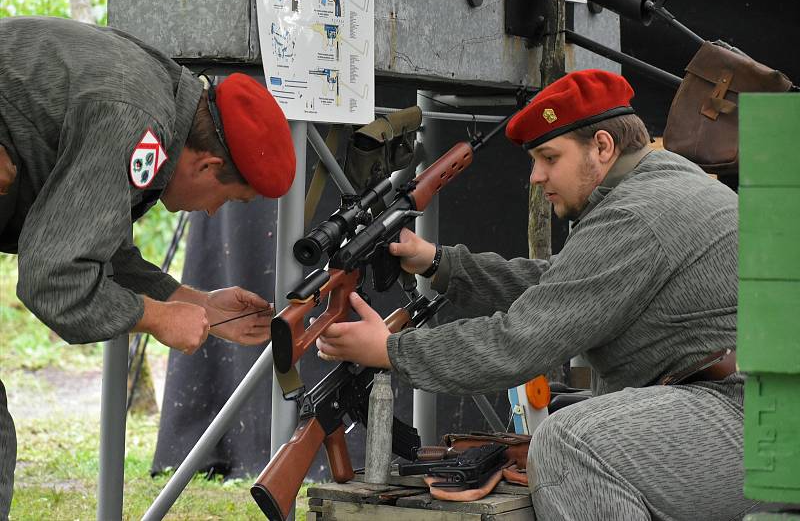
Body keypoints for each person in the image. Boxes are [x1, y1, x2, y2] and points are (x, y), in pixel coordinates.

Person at [315, 69, 758, 519]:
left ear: (602, 147)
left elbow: (517, 344)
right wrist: (439, 262)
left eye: (548, 157)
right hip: (756, 412)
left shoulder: (635, 216)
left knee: (571, 445)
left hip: (749, 421)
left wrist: (391, 350)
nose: (535, 176)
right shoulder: (661, 180)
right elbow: (568, 285)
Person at [0, 16, 295, 518]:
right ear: (207, 166)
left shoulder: (161, 101)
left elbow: (92, 238)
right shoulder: (136, 121)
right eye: (227, 198)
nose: (211, 212)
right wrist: (157, 319)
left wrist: (191, 301)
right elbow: (54, 280)